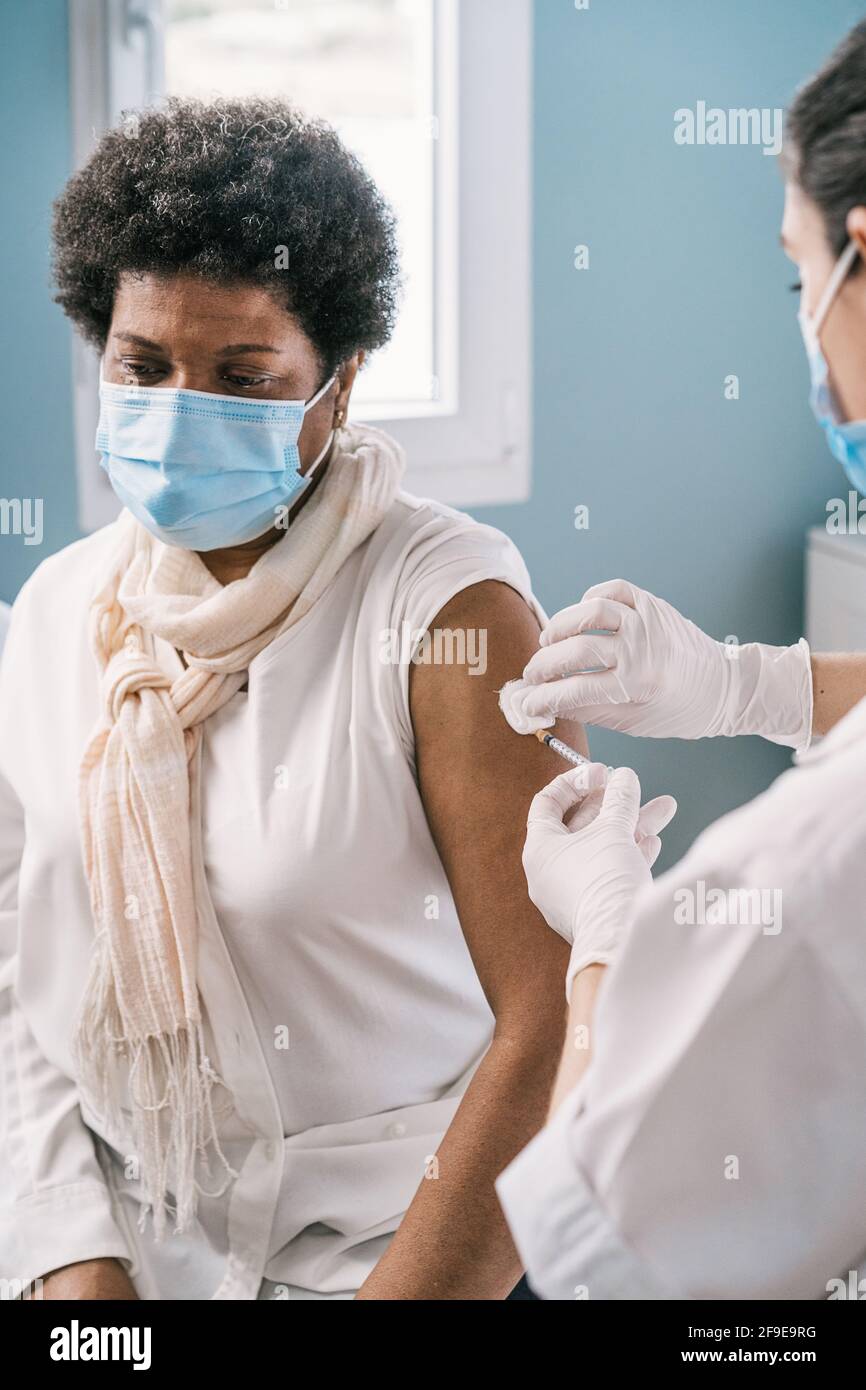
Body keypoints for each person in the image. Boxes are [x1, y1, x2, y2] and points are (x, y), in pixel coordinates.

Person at [0, 97, 586, 1301]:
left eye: (244, 377)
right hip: (129, 1238)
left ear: (340, 382)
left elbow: (557, 1023)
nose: (180, 409)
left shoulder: (448, 616)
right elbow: (25, 960)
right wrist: (71, 1254)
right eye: (142, 367)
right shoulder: (58, 614)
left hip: (397, 1243)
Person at [494, 21, 866, 1301]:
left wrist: (604, 929)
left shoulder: (810, 877)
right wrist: (751, 684)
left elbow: (603, 1252)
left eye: (796, 276)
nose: (804, 327)